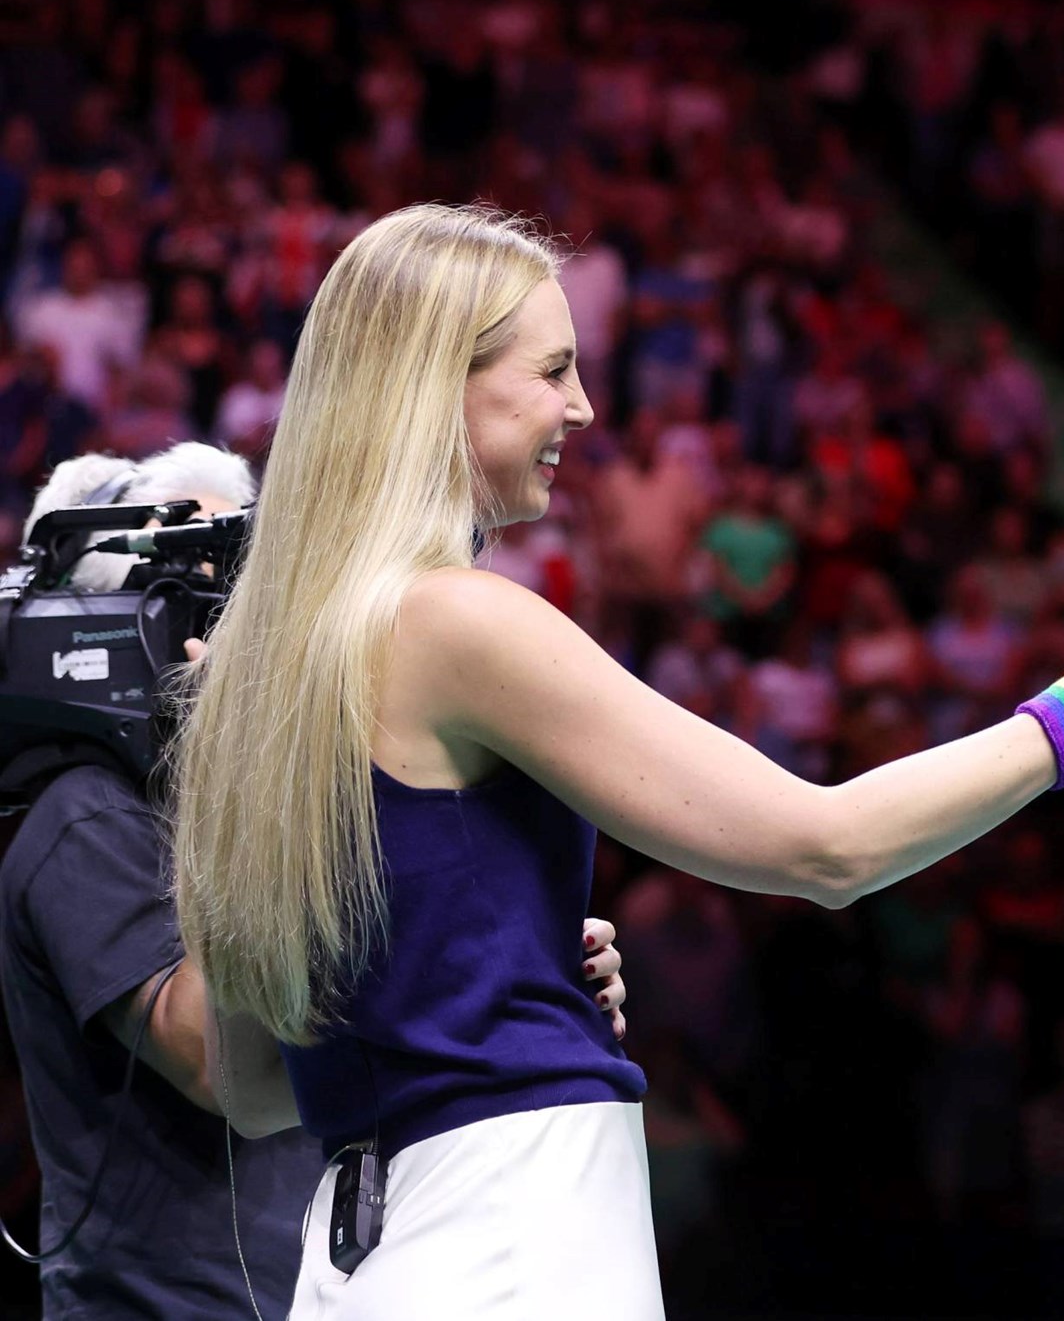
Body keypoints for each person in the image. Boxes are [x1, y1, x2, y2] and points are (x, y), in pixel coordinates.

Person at [168, 204, 1064, 1319]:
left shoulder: (256, 674)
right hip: (514, 1231)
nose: (582, 407)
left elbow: (257, 1084)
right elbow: (826, 845)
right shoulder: (457, 623)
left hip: (356, 1263)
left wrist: (493, 965)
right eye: (553, 369)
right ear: (431, 387)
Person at [0, 444, 631, 1319]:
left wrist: (512, 970)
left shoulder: (242, 791)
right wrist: (254, 769)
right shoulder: (86, 816)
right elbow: (221, 1065)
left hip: (317, 1274)